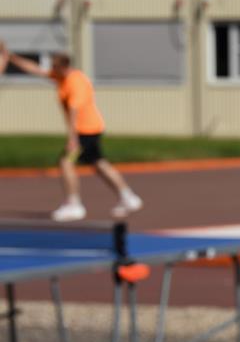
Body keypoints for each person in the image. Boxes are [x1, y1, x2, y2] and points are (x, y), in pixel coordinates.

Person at [0, 42, 143, 221]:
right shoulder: (62, 77)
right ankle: (128, 197)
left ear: (63, 66)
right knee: (99, 163)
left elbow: (74, 110)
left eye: (54, 66)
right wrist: (11, 56)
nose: (51, 70)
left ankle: (74, 205)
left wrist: (72, 139)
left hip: (85, 130)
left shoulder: (76, 82)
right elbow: (35, 69)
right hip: (89, 129)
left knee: (65, 162)